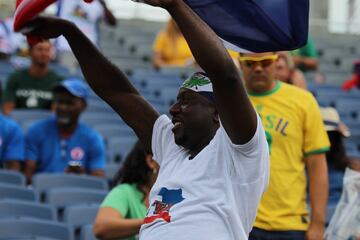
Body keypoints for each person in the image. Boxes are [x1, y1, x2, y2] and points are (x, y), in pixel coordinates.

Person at [27, 0, 270, 238]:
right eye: (176, 100)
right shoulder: (172, 149)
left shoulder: (240, 151)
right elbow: (118, 92)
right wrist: (71, 32)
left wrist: (175, 5)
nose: (173, 109)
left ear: (218, 113)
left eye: (186, 101)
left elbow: (226, 76)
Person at [237, 52, 330, 240]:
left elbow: (317, 166)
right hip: (239, 220)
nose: (258, 68)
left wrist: (318, 223)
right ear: (240, 64)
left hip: (289, 223)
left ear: (276, 62)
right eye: (250, 63)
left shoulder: (303, 101)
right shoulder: (227, 100)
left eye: (265, 62)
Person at [24, 78, 106, 184]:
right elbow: (28, 175)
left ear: (83, 106)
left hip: (77, 194)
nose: (63, 107)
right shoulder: (36, 130)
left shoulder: (93, 138)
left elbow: (98, 180)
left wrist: (82, 177)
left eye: (70, 103)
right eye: (60, 102)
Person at [94, 141, 159, 240]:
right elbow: (101, 227)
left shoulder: (173, 195)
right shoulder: (125, 192)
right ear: (151, 161)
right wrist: (153, 222)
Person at [2, 40, 63, 115]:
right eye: (39, 49)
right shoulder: (15, 78)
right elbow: (7, 111)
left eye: (47, 50)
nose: (44, 53)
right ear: (30, 52)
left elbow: (56, 114)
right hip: (18, 124)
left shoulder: (58, 81)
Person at [56, 0, 117, 71]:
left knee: (93, 79)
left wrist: (103, 5)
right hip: (67, 48)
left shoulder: (96, 3)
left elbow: (112, 22)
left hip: (90, 50)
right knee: (68, 77)